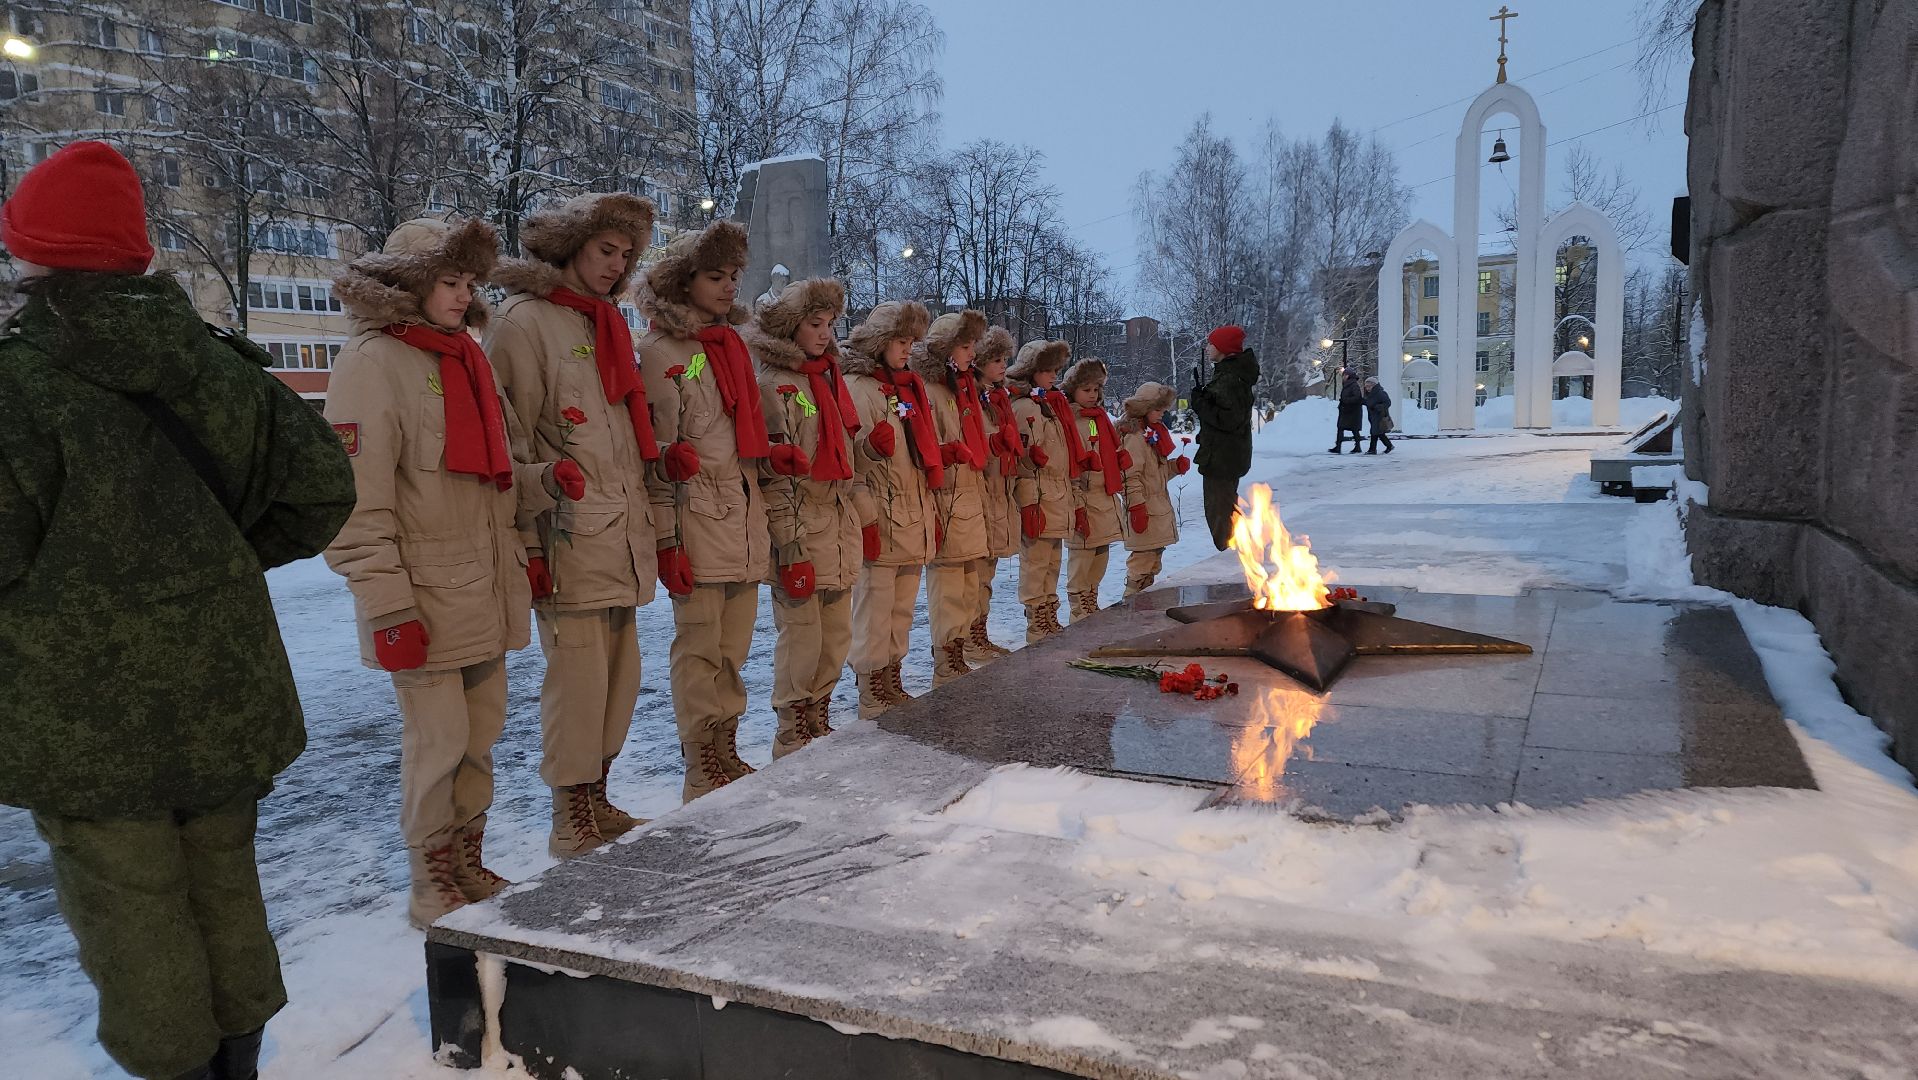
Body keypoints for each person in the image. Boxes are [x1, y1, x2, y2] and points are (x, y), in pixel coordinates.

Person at [0, 142, 355, 1080]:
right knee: (223, 877)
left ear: (33, 260)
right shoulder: (215, 363)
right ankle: (239, 1057)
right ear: (135, 253)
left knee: (129, 905)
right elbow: (319, 492)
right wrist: (216, 565)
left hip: (80, 715)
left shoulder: (16, 386)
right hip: (222, 688)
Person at [327, 215, 560, 927]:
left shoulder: (466, 358)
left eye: (468, 283)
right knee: (437, 745)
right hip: (424, 602)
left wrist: (543, 494)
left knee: (480, 736)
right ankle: (431, 879)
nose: (464, 297)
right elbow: (355, 505)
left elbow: (499, 473)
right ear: (408, 284)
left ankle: (465, 856)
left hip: (483, 590)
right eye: (449, 283)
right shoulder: (372, 364)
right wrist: (387, 607)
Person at [485, 192, 659, 858]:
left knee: (621, 680)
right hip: (566, 534)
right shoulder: (526, 324)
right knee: (578, 685)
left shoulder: (604, 324)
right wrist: (528, 543)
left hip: (619, 536)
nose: (615, 265)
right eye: (604, 251)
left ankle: (596, 792)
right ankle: (569, 815)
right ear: (570, 247)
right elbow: (515, 444)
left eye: (624, 255)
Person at [635, 220, 771, 802]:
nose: (728, 288)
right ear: (681, 281)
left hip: (742, 519)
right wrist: (667, 540)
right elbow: (655, 458)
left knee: (732, 648)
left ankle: (726, 745)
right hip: (697, 521)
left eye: (734, 277)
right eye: (715, 277)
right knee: (699, 649)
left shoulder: (730, 347)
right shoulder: (659, 352)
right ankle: (700, 760)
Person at [744, 277, 868, 756]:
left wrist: (869, 456)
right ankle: (792, 730)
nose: (825, 333)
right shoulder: (776, 385)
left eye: (830, 324)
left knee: (836, 635)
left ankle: (819, 715)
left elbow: (844, 458)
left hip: (837, 522)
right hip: (802, 524)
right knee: (802, 638)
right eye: (815, 324)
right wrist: (790, 544)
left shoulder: (829, 379)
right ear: (790, 326)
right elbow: (776, 476)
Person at [842, 301, 937, 717]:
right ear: (881, 342)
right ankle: (870, 682)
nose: (908, 349)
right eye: (901, 341)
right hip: (881, 513)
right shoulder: (858, 388)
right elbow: (853, 465)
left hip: (912, 515)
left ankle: (891, 673)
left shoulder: (906, 389)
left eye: (912, 342)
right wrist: (867, 519)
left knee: (900, 607)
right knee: (873, 609)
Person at [912, 310, 992, 685]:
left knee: (968, 585)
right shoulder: (930, 391)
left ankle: (958, 650)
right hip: (947, 499)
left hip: (968, 496)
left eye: (972, 345)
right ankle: (945, 657)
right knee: (947, 589)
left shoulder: (961, 388)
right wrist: (945, 452)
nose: (971, 353)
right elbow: (923, 445)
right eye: (964, 345)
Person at [1007, 339, 1076, 641]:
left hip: (1056, 495)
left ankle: (1049, 611)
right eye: (1047, 370)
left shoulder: (1051, 405)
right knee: (1036, 563)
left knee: (1051, 562)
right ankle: (1037, 618)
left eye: (1056, 370)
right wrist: (1027, 466)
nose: (1053, 376)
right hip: (1037, 495)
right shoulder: (1024, 407)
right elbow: (1018, 454)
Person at [1062, 358, 1127, 621]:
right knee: (1082, 560)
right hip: (1086, 499)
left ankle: (1090, 601)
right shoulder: (1071, 420)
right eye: (1086, 389)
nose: (1092, 395)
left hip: (1105, 498)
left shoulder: (1099, 419)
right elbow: (1072, 466)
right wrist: (1077, 504)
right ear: (1073, 390)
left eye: (1096, 390)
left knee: (1100, 557)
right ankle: (1079, 609)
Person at [971, 326, 1022, 664]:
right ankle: (968, 637)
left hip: (999, 491)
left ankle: (979, 633)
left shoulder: (1001, 398)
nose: (1003, 365)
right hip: (981, 491)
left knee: (986, 572)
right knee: (974, 575)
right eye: (995, 360)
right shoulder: (974, 396)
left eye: (1005, 359)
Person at [1119, 382, 1190, 599]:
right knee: (1141, 561)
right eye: (1158, 409)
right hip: (1145, 511)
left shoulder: (1153, 435)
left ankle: (1143, 600)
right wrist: (1137, 506)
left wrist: (1173, 467)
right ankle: (1131, 602)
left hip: (1157, 510)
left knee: (1152, 561)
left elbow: (1154, 475)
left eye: (1164, 409)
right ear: (1144, 408)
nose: (1162, 414)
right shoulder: (1135, 438)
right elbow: (1129, 476)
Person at [1191, 325, 1258, 550]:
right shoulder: (1230, 374)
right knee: (1225, 506)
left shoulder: (1230, 378)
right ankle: (1236, 550)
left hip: (1222, 457)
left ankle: (1230, 553)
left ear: (1223, 348)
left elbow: (1228, 419)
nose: (1208, 348)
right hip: (1224, 454)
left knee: (1219, 510)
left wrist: (1201, 404)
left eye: (1212, 344)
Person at [1331, 368, 1365, 454]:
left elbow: (1357, 397)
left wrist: (1346, 400)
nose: (1343, 377)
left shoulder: (1353, 385)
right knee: (1341, 428)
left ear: (1348, 376)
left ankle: (1357, 447)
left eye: (1344, 375)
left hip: (1352, 411)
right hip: (1347, 410)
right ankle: (1338, 446)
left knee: (1354, 429)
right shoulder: (1348, 384)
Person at [1364, 375, 1395, 455]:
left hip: (1380, 416)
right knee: (1379, 433)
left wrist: (1378, 407)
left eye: (1368, 386)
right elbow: (1369, 403)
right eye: (1366, 386)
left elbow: (1388, 402)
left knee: (1375, 432)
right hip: (1373, 416)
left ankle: (1372, 450)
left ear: (1373, 385)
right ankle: (1389, 446)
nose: (1367, 388)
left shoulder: (1380, 393)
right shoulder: (1370, 394)